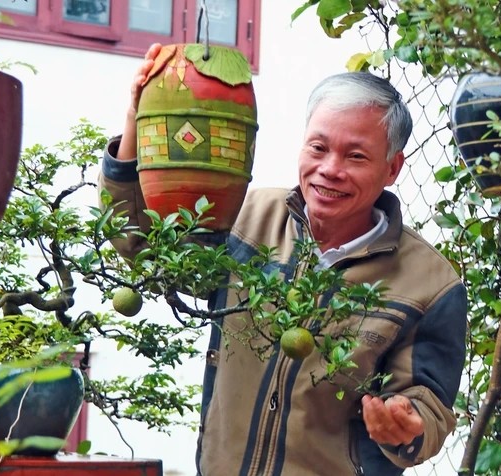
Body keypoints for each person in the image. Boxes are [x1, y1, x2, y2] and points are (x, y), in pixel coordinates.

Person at [98, 44, 467, 476]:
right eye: (318, 147)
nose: (330, 169)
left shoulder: (430, 284)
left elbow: (431, 407)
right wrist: (135, 117)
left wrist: (406, 425)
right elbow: (145, 247)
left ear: (392, 168)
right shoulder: (244, 217)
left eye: (356, 156)